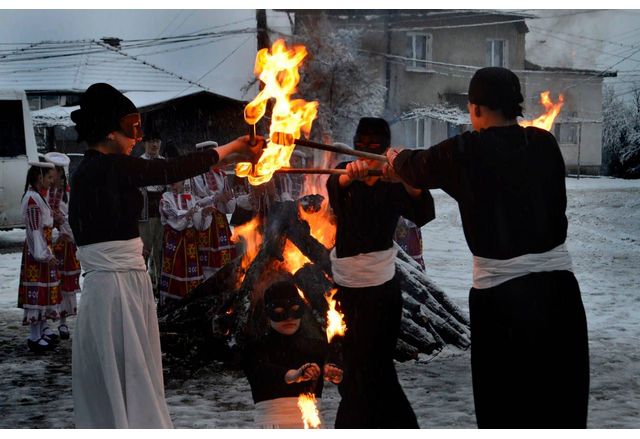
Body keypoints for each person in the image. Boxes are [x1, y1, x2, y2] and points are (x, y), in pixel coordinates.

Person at [385, 67, 589, 428]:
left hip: (503, 301)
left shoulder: (465, 151)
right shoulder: (544, 144)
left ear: (475, 108)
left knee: (505, 408)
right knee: (560, 405)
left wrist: (393, 159)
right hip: (560, 296)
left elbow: (413, 167)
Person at [68, 82, 263, 428]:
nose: (138, 138)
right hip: (115, 290)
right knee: (127, 372)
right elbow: (169, 171)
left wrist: (234, 155)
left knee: (131, 372)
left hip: (122, 283)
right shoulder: (105, 168)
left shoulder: (99, 169)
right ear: (110, 131)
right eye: (133, 128)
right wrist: (231, 147)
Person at [326, 117, 435, 428]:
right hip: (346, 289)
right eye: (362, 145)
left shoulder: (393, 181)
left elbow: (424, 212)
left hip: (381, 291)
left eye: (375, 147)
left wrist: (405, 178)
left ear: (385, 148)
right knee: (353, 368)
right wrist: (350, 177)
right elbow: (334, 188)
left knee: (377, 368)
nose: (367, 152)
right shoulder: (344, 172)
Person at [243, 279, 343, 428]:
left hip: (312, 425)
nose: (289, 317)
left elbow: (346, 373)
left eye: (295, 309)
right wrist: (293, 375)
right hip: (273, 425)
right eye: (279, 312)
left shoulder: (316, 347)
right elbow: (262, 372)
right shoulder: (255, 347)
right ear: (268, 313)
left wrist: (335, 373)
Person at [17, 160, 61, 353]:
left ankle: (41, 330)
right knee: (36, 291)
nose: (52, 181)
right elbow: (35, 229)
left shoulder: (38, 196)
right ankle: (34, 336)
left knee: (43, 290)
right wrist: (42, 253)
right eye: (49, 177)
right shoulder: (33, 198)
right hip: (37, 250)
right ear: (39, 177)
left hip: (42, 246)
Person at [158, 180, 212, 304]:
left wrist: (203, 214)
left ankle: (191, 299)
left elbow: (199, 225)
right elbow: (173, 218)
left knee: (191, 269)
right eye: (173, 181)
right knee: (175, 268)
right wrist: (188, 215)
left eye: (178, 181)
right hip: (173, 240)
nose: (174, 184)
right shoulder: (165, 198)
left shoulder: (191, 198)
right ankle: (171, 302)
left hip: (189, 241)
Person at [44, 152, 80, 340]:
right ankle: (46, 321)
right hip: (50, 244)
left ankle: (63, 322)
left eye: (57, 171)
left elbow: (72, 217)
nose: (54, 175)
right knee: (51, 282)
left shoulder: (67, 193)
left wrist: (68, 233)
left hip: (66, 245)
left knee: (65, 284)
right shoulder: (43, 192)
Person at [190, 141, 237, 279]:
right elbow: (193, 202)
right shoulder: (193, 175)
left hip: (220, 222)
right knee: (205, 261)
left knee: (224, 260)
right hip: (203, 221)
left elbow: (229, 204)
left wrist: (227, 199)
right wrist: (215, 199)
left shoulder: (221, 175)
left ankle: (224, 283)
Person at [137, 135, 166, 294]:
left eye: (156, 141)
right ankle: (142, 285)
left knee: (160, 250)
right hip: (145, 214)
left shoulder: (164, 162)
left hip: (163, 214)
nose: (154, 144)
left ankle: (159, 283)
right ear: (144, 144)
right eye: (151, 141)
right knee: (144, 250)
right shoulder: (139, 163)